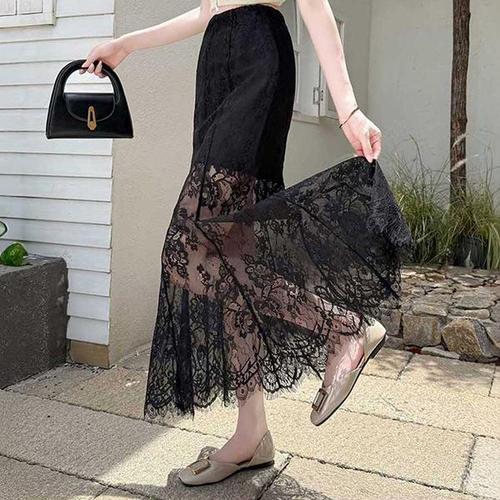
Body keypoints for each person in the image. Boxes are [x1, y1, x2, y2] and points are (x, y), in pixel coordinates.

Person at [82, 0, 411, 487]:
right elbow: (208, 10)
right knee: (230, 252)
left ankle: (343, 327)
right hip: (217, 64)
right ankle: (251, 432)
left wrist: (349, 111)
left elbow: (315, 7)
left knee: (186, 250)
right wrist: (126, 44)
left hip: (259, 58)